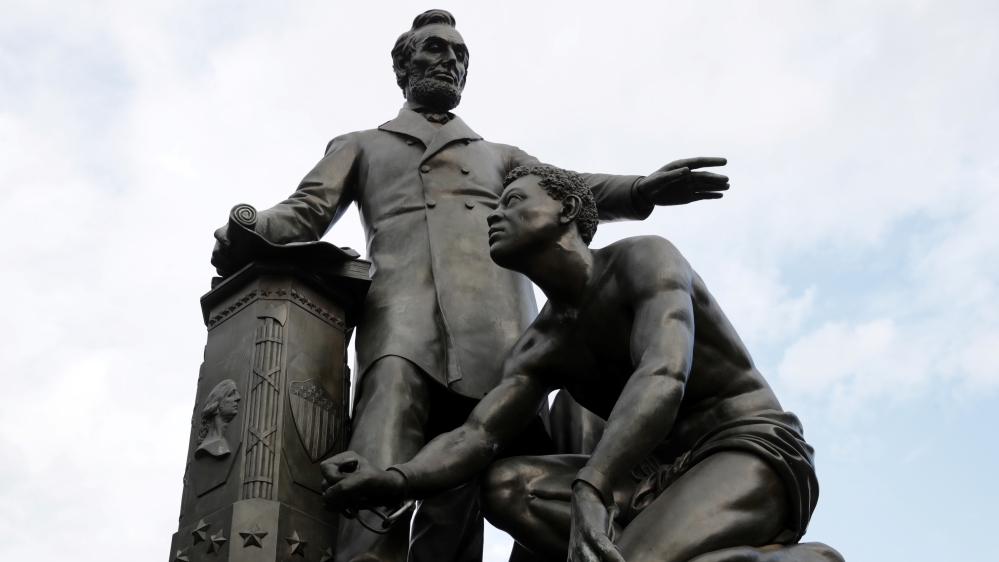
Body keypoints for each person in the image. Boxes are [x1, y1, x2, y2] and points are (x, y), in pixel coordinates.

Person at [212, 10, 730, 562]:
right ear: (402, 66)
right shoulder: (362, 145)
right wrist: (247, 227)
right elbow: (306, 211)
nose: (450, 62)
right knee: (381, 473)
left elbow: (570, 189)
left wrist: (640, 189)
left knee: (528, 477)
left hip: (504, 333)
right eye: (436, 49)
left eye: (461, 56)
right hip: (403, 331)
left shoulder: (500, 157)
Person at [320, 166, 843, 562]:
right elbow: (477, 436)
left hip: (746, 450)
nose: (493, 214)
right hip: (653, 479)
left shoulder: (645, 259)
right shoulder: (539, 344)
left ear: (568, 208)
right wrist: (395, 480)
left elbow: (663, 375)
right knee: (506, 486)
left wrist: (592, 486)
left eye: (513, 201)